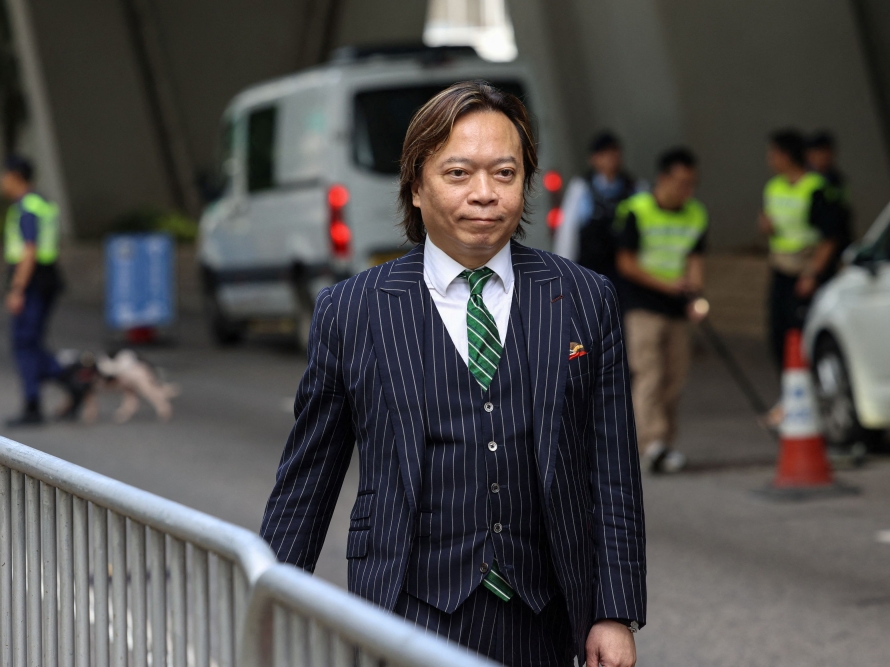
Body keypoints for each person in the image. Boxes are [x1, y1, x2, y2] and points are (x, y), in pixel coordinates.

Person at [260, 81, 645, 667]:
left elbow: (612, 469)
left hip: (543, 616)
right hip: (404, 608)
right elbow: (308, 477)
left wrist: (613, 612)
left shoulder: (584, 299)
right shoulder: (354, 310)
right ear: (416, 186)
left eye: (505, 173)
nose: (485, 194)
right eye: (459, 173)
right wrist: (268, 603)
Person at [613, 148, 707, 474]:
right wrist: (669, 286)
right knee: (648, 373)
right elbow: (626, 263)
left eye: (691, 184)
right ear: (663, 179)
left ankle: (663, 443)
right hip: (642, 306)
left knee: (674, 378)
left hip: (677, 308)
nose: (687, 191)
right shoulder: (637, 210)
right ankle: (649, 443)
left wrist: (696, 296)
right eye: (681, 183)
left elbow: (695, 260)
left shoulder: (695, 213)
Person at [759, 130, 848, 421]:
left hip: (807, 273)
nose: (770, 160)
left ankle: (813, 396)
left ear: (786, 155)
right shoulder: (773, 188)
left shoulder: (816, 188)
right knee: (778, 334)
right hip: (781, 269)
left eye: (774, 154)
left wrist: (812, 273)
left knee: (805, 334)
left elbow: (830, 236)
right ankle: (791, 394)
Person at [0, 155, 68, 427]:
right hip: (49, 277)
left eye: (3, 175)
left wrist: (17, 288)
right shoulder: (43, 202)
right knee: (31, 340)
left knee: (24, 342)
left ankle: (34, 403)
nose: (1, 182)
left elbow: (30, 249)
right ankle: (72, 381)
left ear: (14, 176)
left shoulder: (26, 207)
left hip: (32, 281)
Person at [554, 131, 637, 280]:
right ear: (593, 159)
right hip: (591, 269)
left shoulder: (634, 187)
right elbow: (568, 231)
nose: (611, 158)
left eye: (614, 152)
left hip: (625, 270)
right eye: (604, 154)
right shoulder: (581, 188)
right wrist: (563, 271)